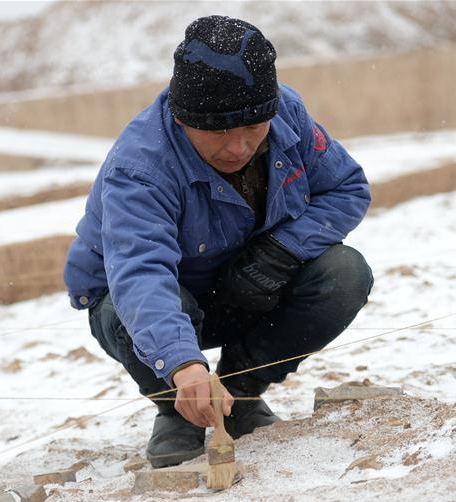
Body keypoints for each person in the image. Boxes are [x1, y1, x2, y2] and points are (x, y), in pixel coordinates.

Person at [64, 15, 374, 468]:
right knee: (127, 312)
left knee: (344, 274)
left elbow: (346, 188)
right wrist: (182, 365)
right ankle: (179, 410)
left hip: (248, 289)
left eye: (252, 128)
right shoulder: (140, 168)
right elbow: (141, 276)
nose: (238, 147)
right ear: (182, 117)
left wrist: (281, 251)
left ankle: (240, 394)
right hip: (148, 306)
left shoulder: (285, 112)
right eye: (219, 132)